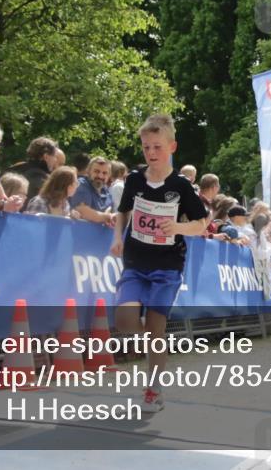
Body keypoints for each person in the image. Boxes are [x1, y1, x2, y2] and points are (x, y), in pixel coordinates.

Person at [109, 114, 208, 413]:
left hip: (167, 266)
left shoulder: (181, 187)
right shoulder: (135, 180)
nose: (151, 153)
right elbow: (123, 212)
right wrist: (117, 237)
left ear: (172, 146)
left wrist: (177, 228)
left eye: (157, 147)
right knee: (126, 321)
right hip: (135, 262)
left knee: (155, 328)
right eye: (146, 147)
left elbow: (202, 223)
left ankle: (153, 388)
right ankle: (157, 348)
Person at [6, 137, 62, 206]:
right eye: (55, 156)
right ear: (46, 156)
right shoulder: (41, 177)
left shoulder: (14, 169)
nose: (55, 160)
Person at [70, 156, 116, 225]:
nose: (100, 176)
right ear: (88, 171)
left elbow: (110, 209)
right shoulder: (81, 185)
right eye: (96, 171)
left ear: (109, 175)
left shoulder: (106, 191)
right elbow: (84, 212)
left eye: (104, 173)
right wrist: (108, 217)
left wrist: (106, 216)